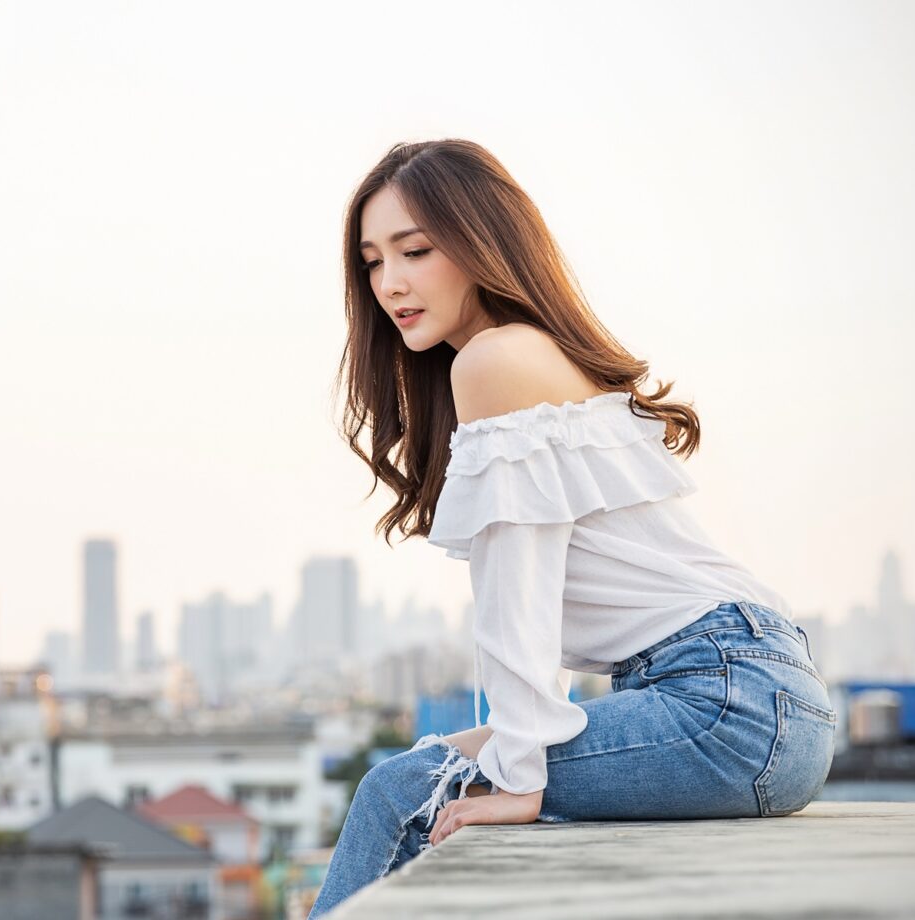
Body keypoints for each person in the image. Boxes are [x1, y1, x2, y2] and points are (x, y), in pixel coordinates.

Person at [309, 139, 837, 916]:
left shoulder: (494, 361)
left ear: (482, 242)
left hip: (726, 703)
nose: (391, 283)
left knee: (404, 791)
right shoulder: (524, 357)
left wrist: (520, 774)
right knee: (420, 776)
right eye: (372, 261)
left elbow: (516, 587)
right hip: (749, 693)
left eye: (415, 250)